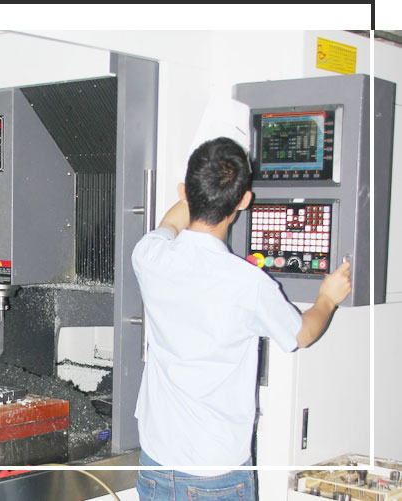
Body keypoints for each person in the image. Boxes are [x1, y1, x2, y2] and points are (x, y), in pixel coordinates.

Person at [132, 137, 352, 500]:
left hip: (155, 462)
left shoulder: (149, 256)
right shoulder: (249, 284)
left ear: (183, 191)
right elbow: (302, 334)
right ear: (244, 201)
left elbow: (170, 223)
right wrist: (327, 298)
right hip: (214, 474)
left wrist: (198, 191)